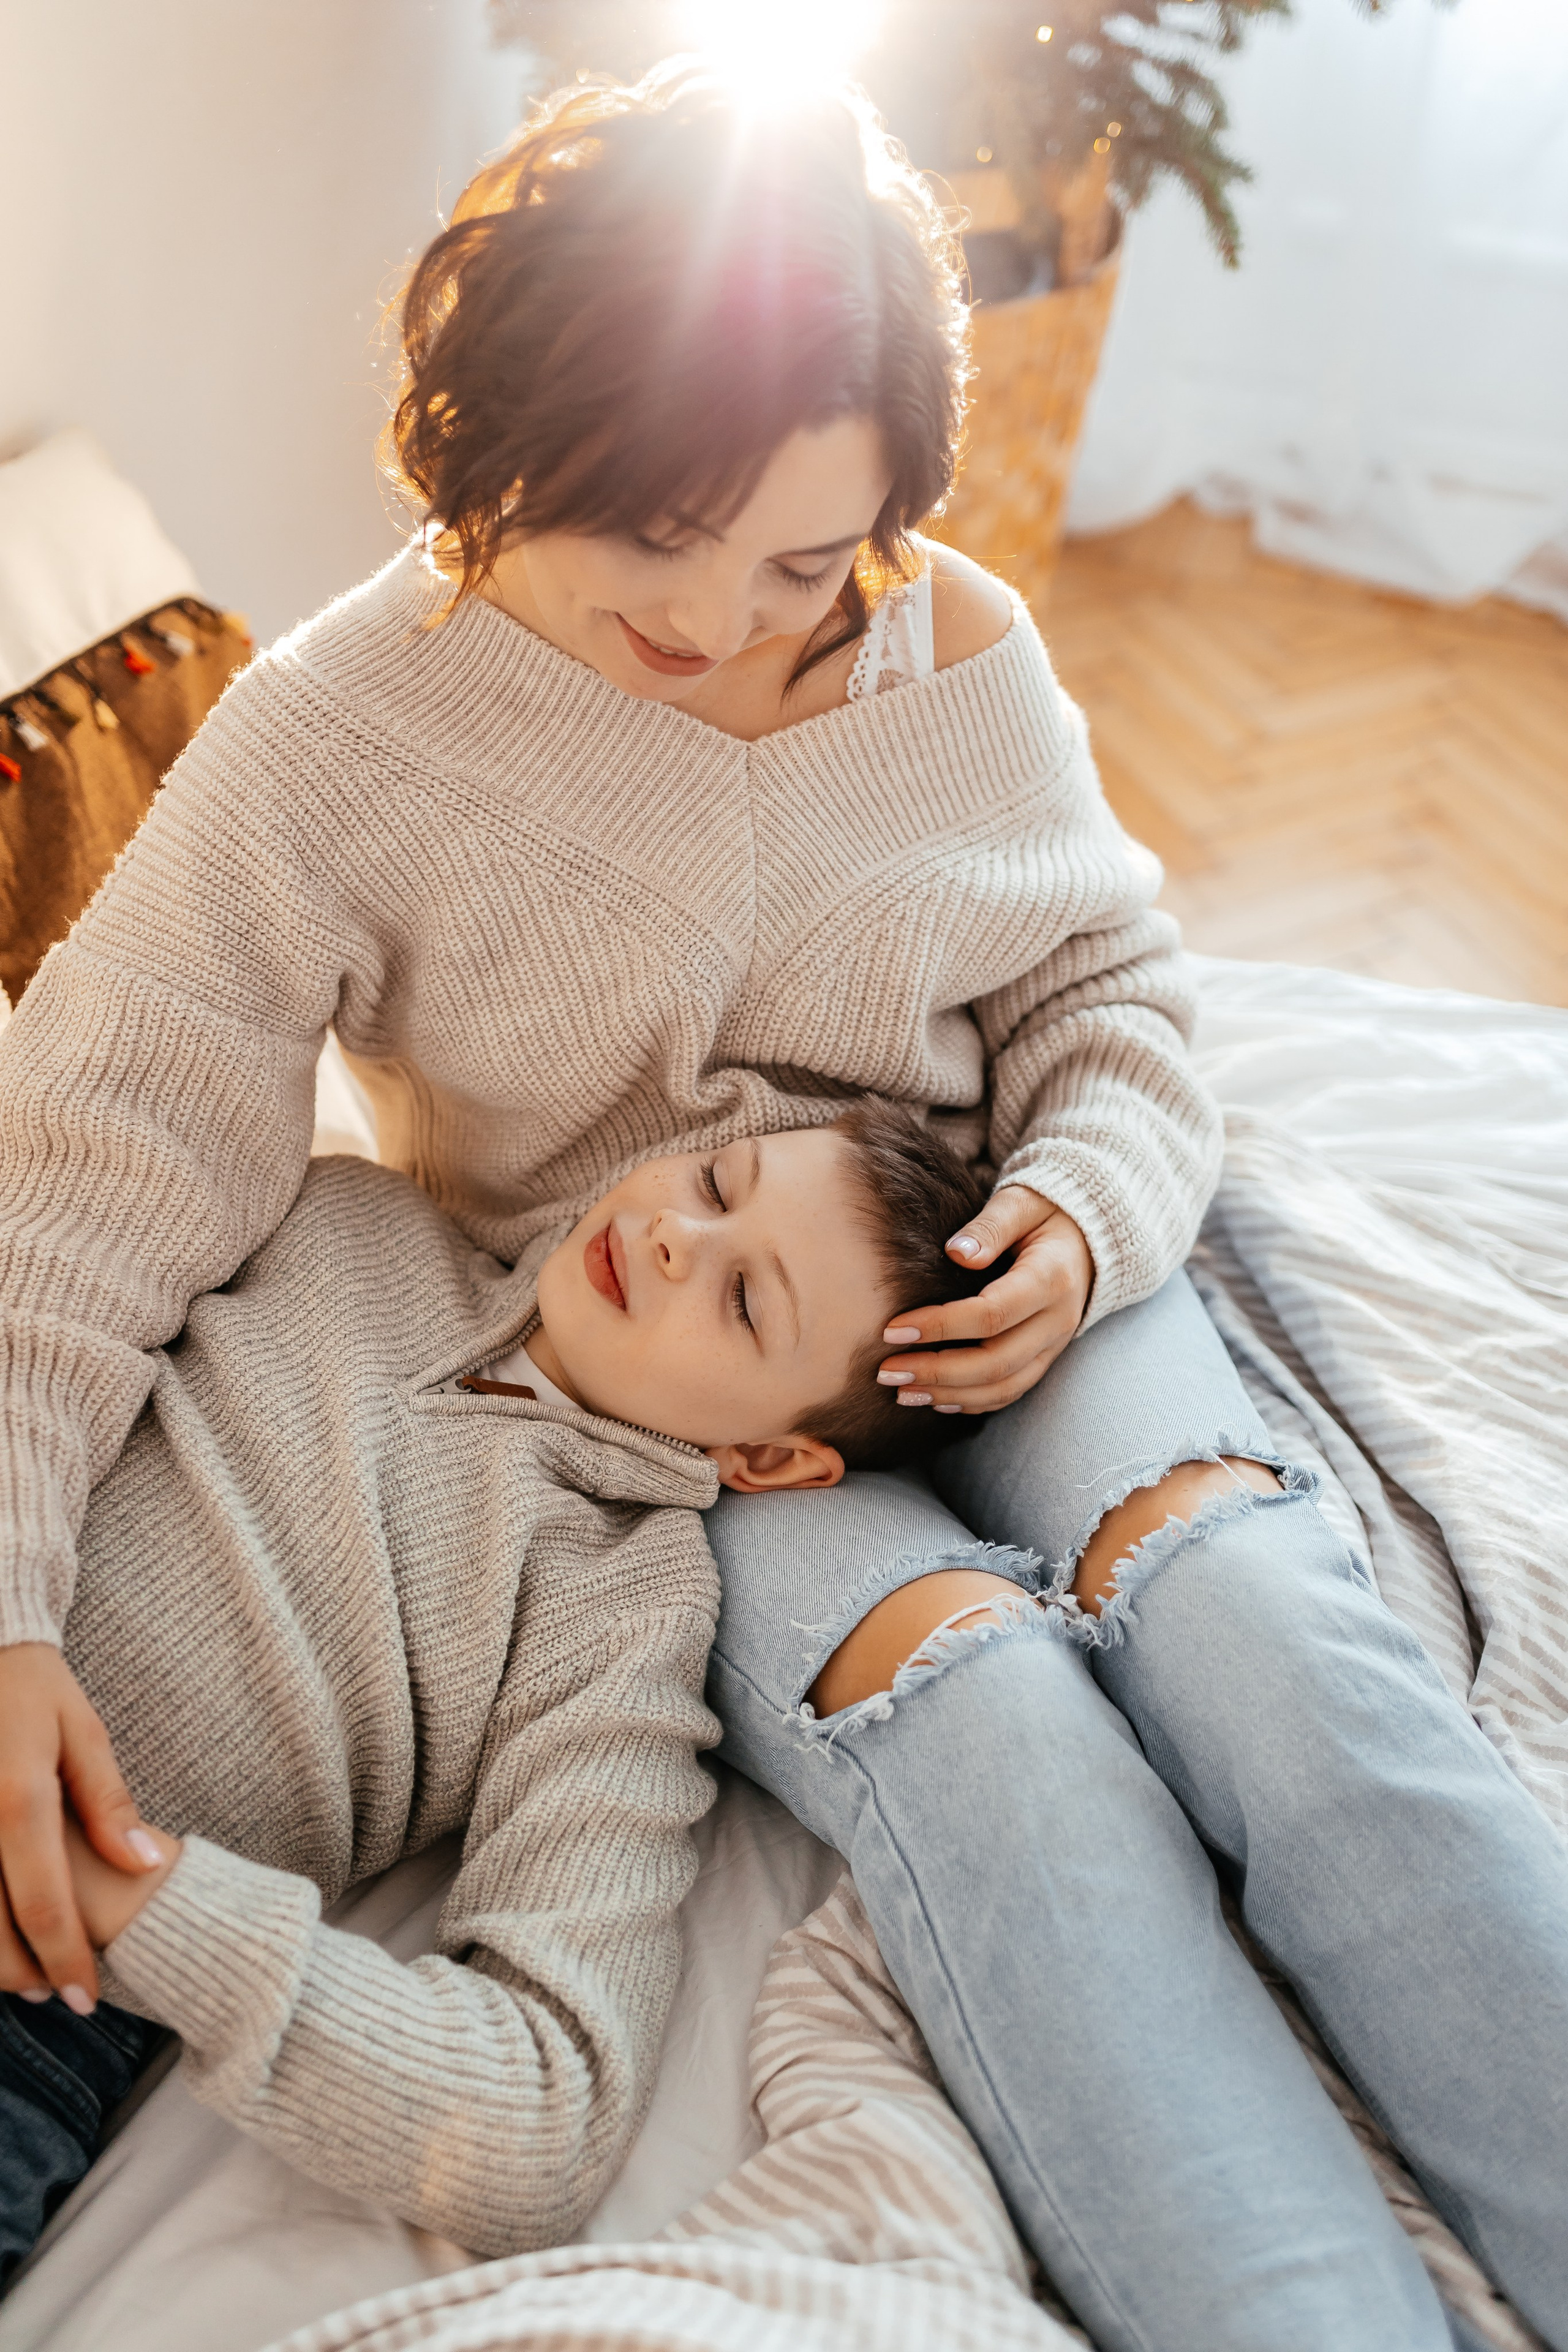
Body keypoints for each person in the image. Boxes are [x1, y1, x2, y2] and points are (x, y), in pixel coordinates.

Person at [0, 60, 1563, 2352]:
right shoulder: (338, 741)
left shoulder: (958, 655)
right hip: (693, 1405)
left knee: (1246, 1621)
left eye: (810, 563)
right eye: (656, 537)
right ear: (505, 439)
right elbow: (86, 1187)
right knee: (987, 1718)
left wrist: (1095, 1203)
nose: (732, 617)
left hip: (1017, 1253)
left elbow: (1108, 974)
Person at [0, 1101, 990, 2280]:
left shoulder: (623, 1616)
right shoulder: (337, 1213)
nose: (678, 1233)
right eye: (719, 1181)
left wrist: (126, 1893)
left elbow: (538, 2120)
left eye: (743, 1300)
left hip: (32, 1969)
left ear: (770, 1459)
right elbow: (44, 1304)